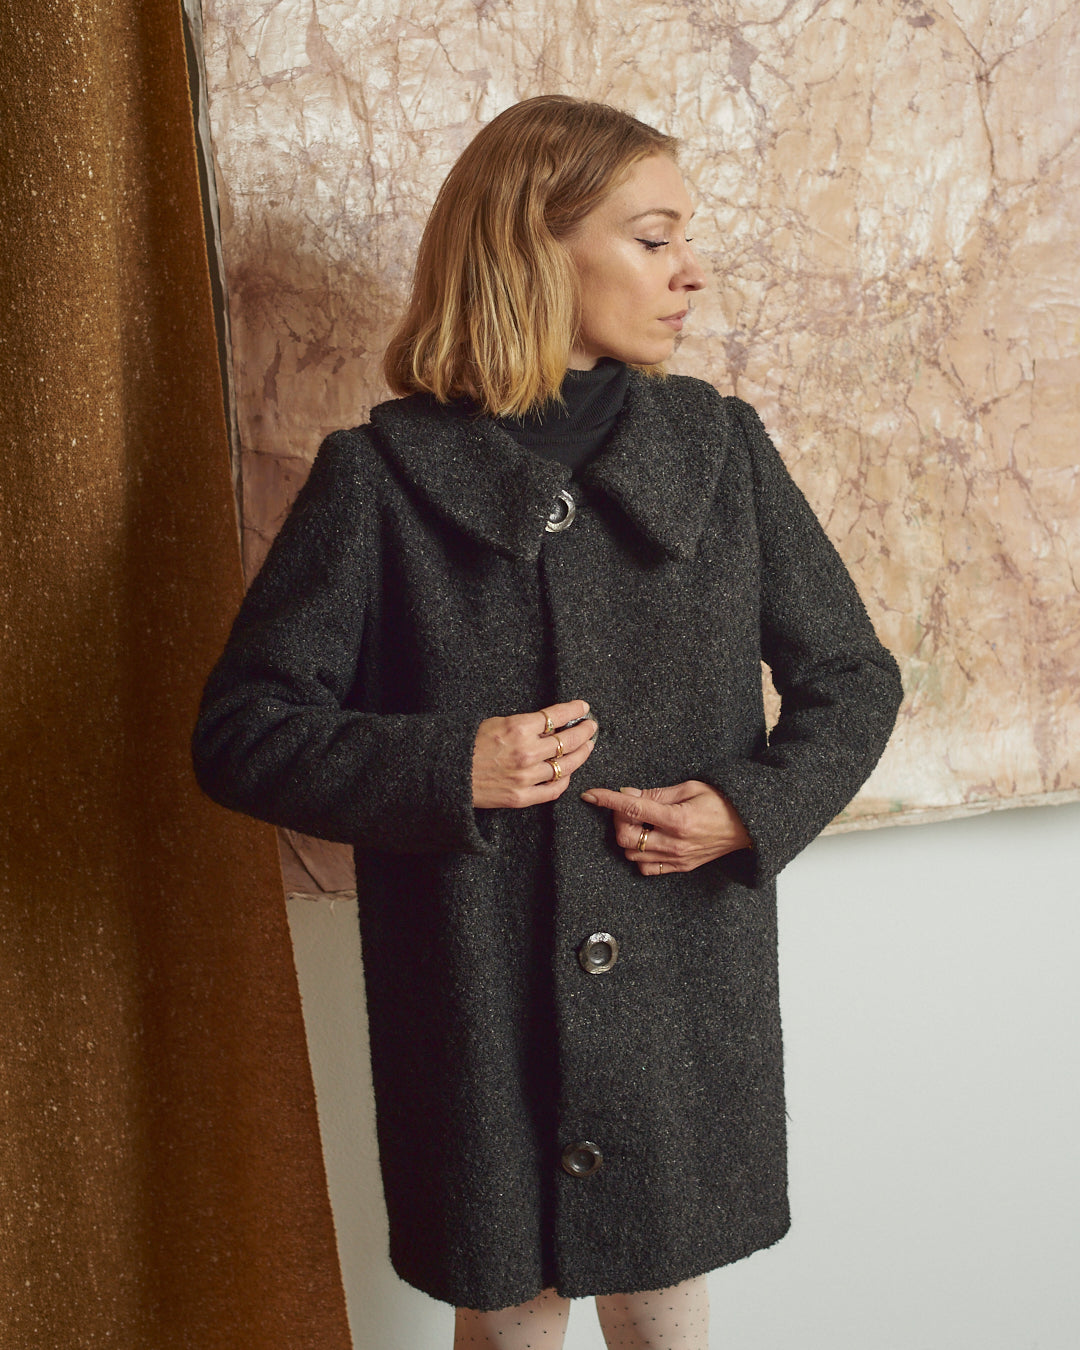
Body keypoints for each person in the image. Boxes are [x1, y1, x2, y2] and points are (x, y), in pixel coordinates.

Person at [192, 95, 903, 1349]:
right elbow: (244, 731)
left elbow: (852, 676)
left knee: (665, 1312)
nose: (690, 271)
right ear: (532, 246)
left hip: (683, 992)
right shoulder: (379, 477)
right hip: (474, 999)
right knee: (511, 1320)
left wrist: (749, 807)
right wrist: (445, 763)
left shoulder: (720, 450)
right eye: (653, 238)